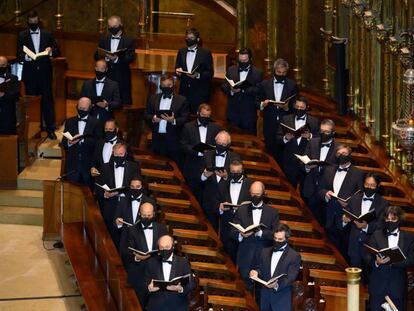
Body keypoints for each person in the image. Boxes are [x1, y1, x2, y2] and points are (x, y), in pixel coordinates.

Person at [16, 10, 60, 139]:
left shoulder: (47, 34)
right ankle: (35, 130)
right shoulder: (22, 35)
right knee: (32, 104)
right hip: (30, 75)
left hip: (45, 74)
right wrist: (27, 57)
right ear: (28, 22)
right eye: (31, 22)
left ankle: (50, 129)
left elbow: (57, 50)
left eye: (35, 22)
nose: (33, 24)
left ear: (38, 21)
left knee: (47, 102)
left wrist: (50, 51)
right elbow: (18, 54)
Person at [117, 196, 167, 307]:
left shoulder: (161, 228)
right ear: (140, 214)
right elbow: (124, 252)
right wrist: (136, 257)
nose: (146, 218)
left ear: (154, 214)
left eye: (149, 215)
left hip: (157, 275)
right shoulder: (131, 230)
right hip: (138, 275)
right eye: (144, 215)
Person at [230, 181, 279, 290]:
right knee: (244, 289)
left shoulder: (273, 212)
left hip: (264, 256)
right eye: (252, 194)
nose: (255, 197)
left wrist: (261, 233)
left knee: (262, 290)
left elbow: (276, 235)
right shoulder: (241, 210)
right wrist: (241, 235)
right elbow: (232, 231)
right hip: (245, 255)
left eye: (257, 194)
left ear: (263, 194)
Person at [363, 206, 414, 311]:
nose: (390, 221)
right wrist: (376, 262)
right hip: (378, 285)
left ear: (399, 220)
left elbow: (411, 259)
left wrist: (394, 262)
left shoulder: (409, 238)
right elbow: (367, 256)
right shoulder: (376, 235)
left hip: (397, 287)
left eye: (393, 219)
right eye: (388, 219)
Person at [317, 144, 364, 254]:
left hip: (346, 217)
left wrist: (349, 205)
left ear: (349, 155)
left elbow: (360, 195)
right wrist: (325, 193)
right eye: (338, 154)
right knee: (329, 248)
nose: (341, 156)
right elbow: (320, 188)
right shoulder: (329, 170)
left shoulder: (359, 173)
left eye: (344, 154)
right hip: (328, 214)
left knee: (345, 249)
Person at [96, 142, 141, 244]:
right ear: (113, 153)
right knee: (111, 236)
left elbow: (137, 186)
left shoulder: (133, 167)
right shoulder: (105, 167)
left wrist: (118, 192)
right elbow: (98, 187)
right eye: (116, 155)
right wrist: (105, 194)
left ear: (125, 154)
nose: (119, 157)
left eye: (121, 154)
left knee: (128, 237)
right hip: (111, 206)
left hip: (128, 205)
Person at [341, 173, 388, 270]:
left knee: (369, 277)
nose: (369, 187)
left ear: (378, 186)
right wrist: (344, 220)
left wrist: (366, 227)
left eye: (372, 185)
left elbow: (382, 224)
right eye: (367, 184)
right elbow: (347, 214)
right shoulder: (354, 198)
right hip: (354, 245)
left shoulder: (384, 203)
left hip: (371, 246)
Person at [250, 224, 301, 311]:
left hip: (281, 299)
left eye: (280, 239)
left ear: (287, 239)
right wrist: (256, 272)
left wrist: (276, 285)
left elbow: (290, 278)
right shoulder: (265, 251)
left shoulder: (294, 256)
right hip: (265, 297)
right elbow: (260, 268)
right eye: (275, 238)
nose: (277, 241)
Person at [258, 59, 298, 160]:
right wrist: (263, 104)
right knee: (270, 152)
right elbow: (256, 101)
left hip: (285, 125)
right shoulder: (264, 84)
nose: (281, 74)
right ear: (274, 70)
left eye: (283, 72)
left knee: (284, 154)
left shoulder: (292, 85)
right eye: (278, 72)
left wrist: (287, 107)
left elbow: (295, 105)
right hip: (269, 124)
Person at [180, 103, 221, 202]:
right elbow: (183, 145)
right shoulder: (188, 127)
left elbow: (218, 145)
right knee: (192, 197)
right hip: (192, 166)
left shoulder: (215, 128)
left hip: (208, 166)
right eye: (203, 115)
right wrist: (198, 151)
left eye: (208, 116)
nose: (205, 118)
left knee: (207, 198)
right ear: (198, 113)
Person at [200, 130, 240, 231]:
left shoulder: (235, 157)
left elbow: (239, 177)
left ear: (229, 144)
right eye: (219, 143)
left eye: (224, 144)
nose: (221, 146)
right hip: (209, 199)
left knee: (226, 231)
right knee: (210, 229)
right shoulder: (207, 155)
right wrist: (205, 175)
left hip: (226, 200)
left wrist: (227, 176)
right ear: (215, 142)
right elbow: (198, 178)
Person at [276, 96, 319, 187]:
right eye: (297, 107)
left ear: (306, 108)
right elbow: (277, 138)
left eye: (301, 107)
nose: (299, 109)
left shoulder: (314, 121)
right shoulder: (285, 119)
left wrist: (310, 136)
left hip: (306, 161)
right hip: (289, 161)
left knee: (305, 190)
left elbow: (319, 140)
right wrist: (285, 138)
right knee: (289, 188)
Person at [145, 74, 189, 162]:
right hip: (157, 139)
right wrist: (153, 119)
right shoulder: (153, 98)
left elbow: (185, 118)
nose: (166, 87)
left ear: (173, 85)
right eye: (164, 85)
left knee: (173, 166)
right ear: (160, 86)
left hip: (174, 140)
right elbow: (146, 115)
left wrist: (173, 120)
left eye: (169, 85)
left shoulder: (182, 100)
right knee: (156, 164)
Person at [145, 235, 195, 311]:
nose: (164, 250)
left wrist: (180, 289)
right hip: (156, 307)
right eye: (161, 247)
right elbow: (143, 283)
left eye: (167, 247)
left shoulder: (182, 262)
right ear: (158, 248)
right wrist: (149, 288)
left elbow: (191, 284)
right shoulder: (151, 262)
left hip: (178, 307)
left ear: (173, 247)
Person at [302, 119, 338, 225]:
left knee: (326, 224)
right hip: (311, 188)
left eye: (326, 132)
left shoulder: (338, 148)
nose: (323, 134)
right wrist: (307, 167)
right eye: (321, 131)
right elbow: (303, 162)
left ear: (333, 133)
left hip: (327, 191)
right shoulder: (312, 142)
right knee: (310, 222)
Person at [61, 97, 102, 187]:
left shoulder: (96, 123)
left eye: (84, 109)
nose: (82, 110)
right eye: (80, 108)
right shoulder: (69, 122)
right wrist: (69, 142)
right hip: (72, 165)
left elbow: (99, 143)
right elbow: (63, 142)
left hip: (88, 165)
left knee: (87, 194)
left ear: (90, 108)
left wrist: (82, 140)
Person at [217, 159, 253, 262]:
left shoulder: (251, 184)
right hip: (227, 227)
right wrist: (220, 207)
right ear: (229, 171)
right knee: (227, 259)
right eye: (233, 172)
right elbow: (215, 201)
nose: (235, 174)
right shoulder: (223, 184)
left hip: (244, 228)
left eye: (238, 172)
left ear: (243, 171)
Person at [94, 15, 135, 105]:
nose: (113, 29)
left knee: (121, 102)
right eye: (110, 27)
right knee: (105, 101)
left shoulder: (129, 40)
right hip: (106, 75)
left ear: (120, 25)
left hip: (122, 76)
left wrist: (116, 58)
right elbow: (96, 55)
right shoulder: (104, 39)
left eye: (115, 27)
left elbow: (130, 57)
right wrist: (105, 57)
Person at [221, 48, 263, 134]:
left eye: (245, 60)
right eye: (240, 60)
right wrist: (231, 90)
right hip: (233, 113)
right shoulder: (231, 69)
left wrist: (243, 90)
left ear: (250, 59)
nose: (242, 62)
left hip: (248, 114)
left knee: (250, 141)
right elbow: (224, 85)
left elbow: (259, 90)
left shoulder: (257, 72)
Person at [175, 28, 213, 114]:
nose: (188, 40)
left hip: (199, 92)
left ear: (198, 39)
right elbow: (177, 67)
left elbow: (210, 73)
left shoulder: (205, 53)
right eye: (187, 38)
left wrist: (198, 75)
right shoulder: (181, 52)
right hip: (184, 91)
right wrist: (178, 72)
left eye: (191, 38)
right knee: (182, 114)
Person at [0, 56, 19, 135]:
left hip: (8, 115)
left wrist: (4, 95)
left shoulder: (13, 78)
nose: (0, 67)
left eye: (3, 65)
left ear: (7, 65)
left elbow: (16, 95)